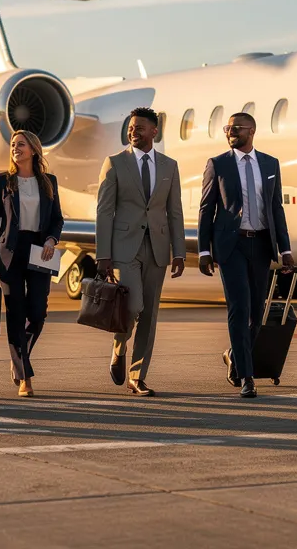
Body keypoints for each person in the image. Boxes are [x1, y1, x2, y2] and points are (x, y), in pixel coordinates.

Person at [198, 112, 295, 399]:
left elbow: (276, 208)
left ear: (251, 131)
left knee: (256, 314)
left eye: (236, 128)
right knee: (239, 309)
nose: (230, 132)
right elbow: (207, 209)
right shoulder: (218, 164)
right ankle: (247, 377)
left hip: (262, 244)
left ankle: (234, 355)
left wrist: (285, 249)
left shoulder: (269, 163)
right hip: (232, 246)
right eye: (228, 128)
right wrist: (204, 250)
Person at [94, 107, 186, 396]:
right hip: (124, 249)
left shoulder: (169, 166)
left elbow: (175, 212)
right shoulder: (114, 163)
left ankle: (137, 376)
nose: (133, 131)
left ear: (154, 132)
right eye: (131, 127)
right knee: (133, 306)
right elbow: (104, 212)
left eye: (140, 127)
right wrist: (102, 254)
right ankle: (119, 348)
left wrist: (180, 252)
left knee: (150, 314)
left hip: (157, 248)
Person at [0, 130, 64, 398]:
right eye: (13, 145)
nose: (16, 148)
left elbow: (57, 219)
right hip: (9, 254)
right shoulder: (3, 180)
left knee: (38, 313)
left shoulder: (49, 181)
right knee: (15, 314)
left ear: (34, 150)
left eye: (21, 144)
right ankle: (24, 376)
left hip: (40, 252)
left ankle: (18, 356)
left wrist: (52, 239)